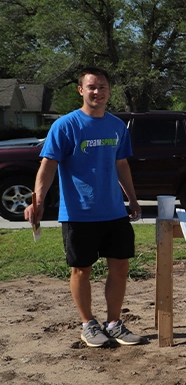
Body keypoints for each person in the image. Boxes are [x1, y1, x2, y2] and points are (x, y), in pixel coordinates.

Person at [24, 66, 145, 348]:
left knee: (120, 266)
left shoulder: (117, 126)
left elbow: (121, 164)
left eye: (102, 87)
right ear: (81, 90)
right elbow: (48, 164)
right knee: (82, 270)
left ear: (109, 91)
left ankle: (114, 323)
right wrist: (38, 200)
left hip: (114, 212)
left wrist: (133, 198)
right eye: (91, 87)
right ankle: (88, 324)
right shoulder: (65, 126)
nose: (97, 92)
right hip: (79, 213)